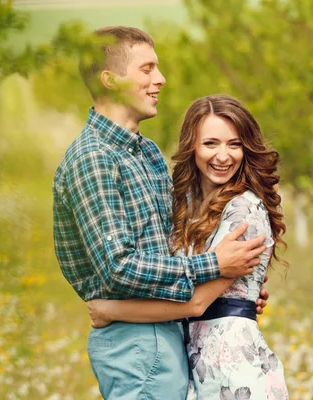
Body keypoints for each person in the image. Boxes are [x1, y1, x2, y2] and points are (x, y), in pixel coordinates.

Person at [52, 26, 269, 399]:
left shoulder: (147, 153)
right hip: (134, 338)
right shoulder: (95, 158)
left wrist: (233, 293)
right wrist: (214, 266)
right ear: (110, 81)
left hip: (170, 327)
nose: (161, 79)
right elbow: (117, 267)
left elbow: (173, 242)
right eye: (147, 69)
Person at [88, 94, 289, 399]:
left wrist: (111, 311)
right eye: (211, 144)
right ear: (191, 146)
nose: (223, 156)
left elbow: (197, 303)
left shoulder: (244, 211)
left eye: (234, 144)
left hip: (233, 370)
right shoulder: (186, 206)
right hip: (194, 365)